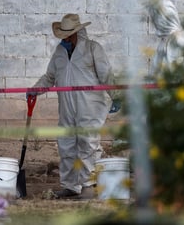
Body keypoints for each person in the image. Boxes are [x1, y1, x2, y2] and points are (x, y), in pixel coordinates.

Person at [27, 14, 121, 199]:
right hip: (67, 105)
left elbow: (106, 74)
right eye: (64, 35)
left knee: (88, 143)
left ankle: (88, 185)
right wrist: (35, 89)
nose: (66, 39)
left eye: (69, 35)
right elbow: (50, 77)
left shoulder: (93, 49)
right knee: (67, 143)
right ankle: (71, 186)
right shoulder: (59, 53)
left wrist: (116, 96)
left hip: (90, 104)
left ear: (77, 33)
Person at [147, 0, 184, 78]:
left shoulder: (178, 41)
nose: (154, 24)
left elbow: (172, 74)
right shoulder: (168, 39)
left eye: (155, 19)